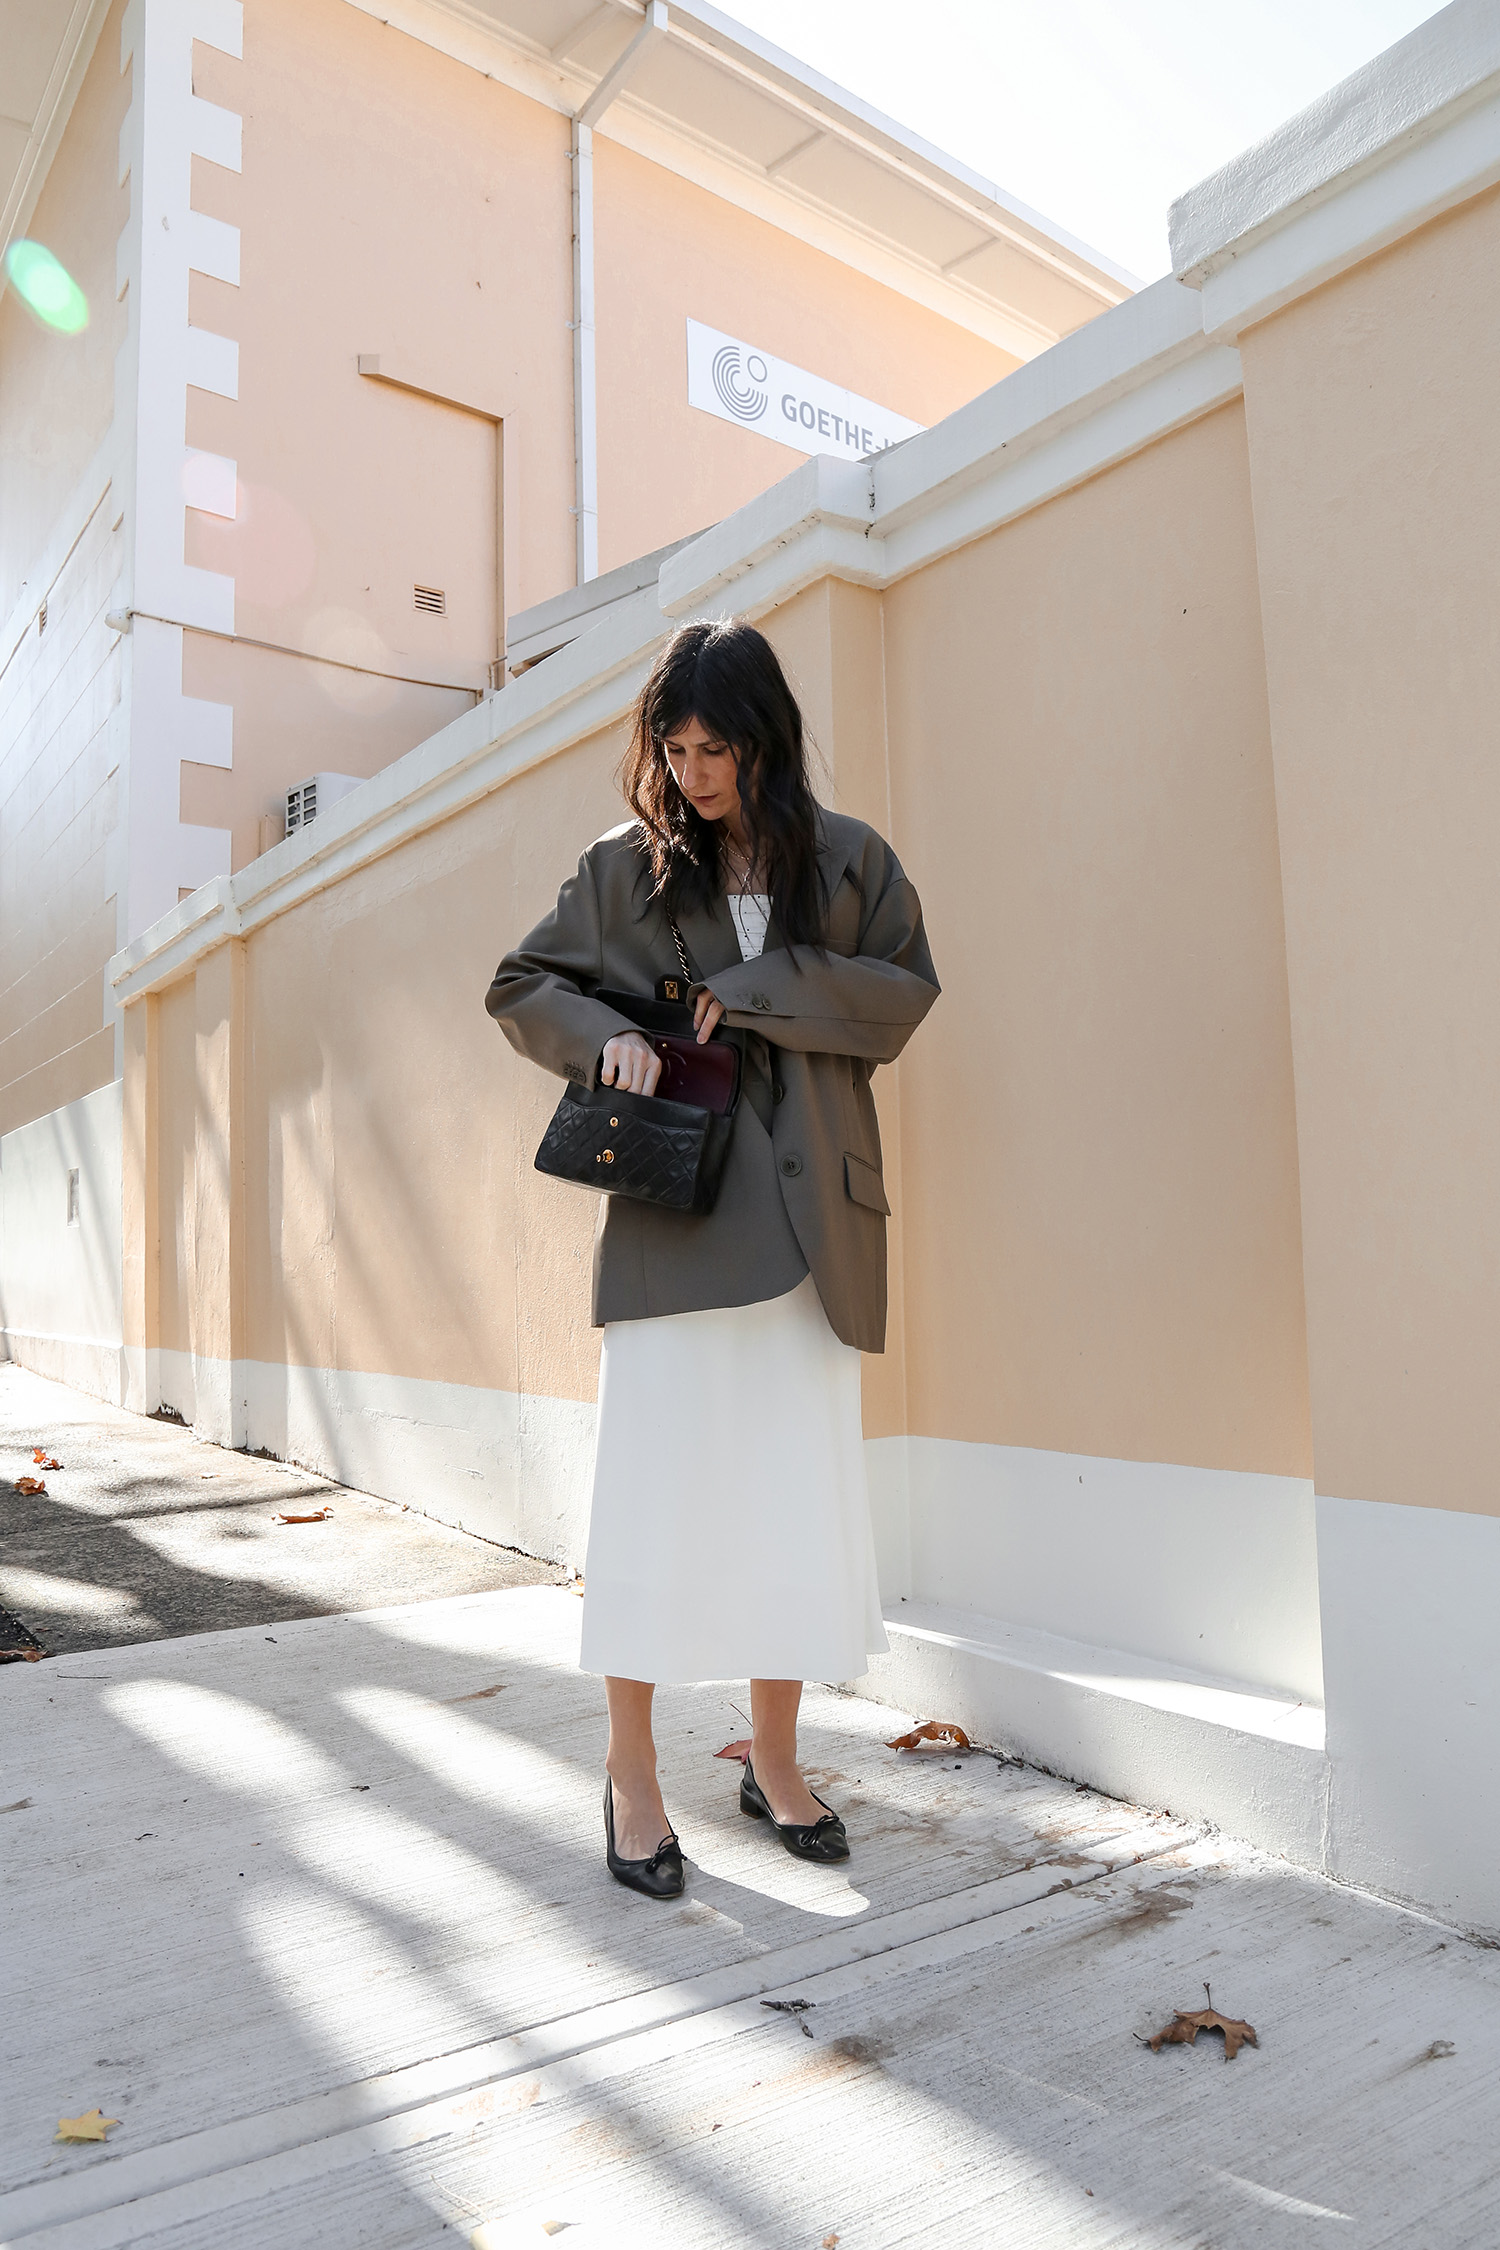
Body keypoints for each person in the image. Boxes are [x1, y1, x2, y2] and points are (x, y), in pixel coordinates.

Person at [486, 617, 939, 1898]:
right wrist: (599, 1040)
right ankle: (632, 1772)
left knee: (793, 1508)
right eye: (673, 748)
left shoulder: (850, 864)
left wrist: (758, 989)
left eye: (717, 747)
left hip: (814, 1240)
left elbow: (902, 997)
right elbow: (524, 983)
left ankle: (776, 1761)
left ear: (766, 739)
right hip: (679, 1230)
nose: (695, 773)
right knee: (655, 1512)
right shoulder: (624, 872)